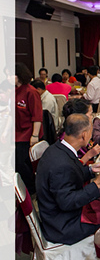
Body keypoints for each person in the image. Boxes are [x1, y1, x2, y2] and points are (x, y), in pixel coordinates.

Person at [35, 113, 100, 245]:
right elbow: (67, 202)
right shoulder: (62, 165)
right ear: (84, 135)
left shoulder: (57, 148)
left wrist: (90, 170)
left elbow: (70, 176)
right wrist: (97, 184)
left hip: (56, 214)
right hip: (63, 225)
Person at [15, 63, 43, 193]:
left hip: (28, 133)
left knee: (20, 162)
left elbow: (37, 115)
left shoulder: (31, 92)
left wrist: (35, 135)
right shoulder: (14, 91)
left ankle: (31, 189)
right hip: (16, 132)